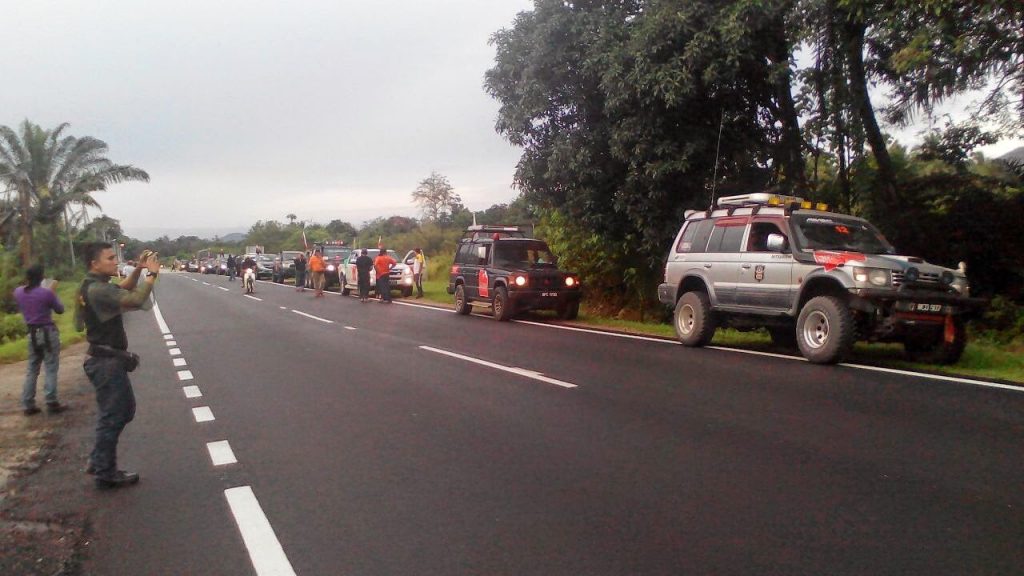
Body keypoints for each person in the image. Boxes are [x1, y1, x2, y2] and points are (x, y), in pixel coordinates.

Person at [76, 244, 159, 489]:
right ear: (95, 263)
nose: (115, 261)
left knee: (119, 412)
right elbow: (135, 299)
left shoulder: (92, 285)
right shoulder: (98, 290)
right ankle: (105, 471)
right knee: (116, 414)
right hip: (105, 362)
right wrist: (152, 274)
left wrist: (138, 269)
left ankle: (98, 460)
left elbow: (122, 289)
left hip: (104, 359)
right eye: (110, 258)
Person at [14, 265, 66, 415]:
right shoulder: (46, 293)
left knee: (32, 369)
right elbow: (60, 309)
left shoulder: (18, 292)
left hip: (31, 333)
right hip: (47, 332)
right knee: (50, 367)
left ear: (27, 277)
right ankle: (51, 401)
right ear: (42, 277)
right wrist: (52, 292)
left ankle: (28, 403)